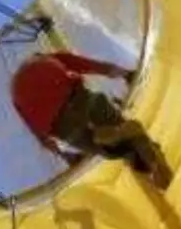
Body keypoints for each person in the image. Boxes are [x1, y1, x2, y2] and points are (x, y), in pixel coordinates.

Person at [9, 51, 172, 189]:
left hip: (66, 127)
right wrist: (126, 74)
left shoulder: (16, 94)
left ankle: (112, 140)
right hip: (84, 99)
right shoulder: (48, 59)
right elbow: (91, 65)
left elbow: (41, 137)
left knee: (113, 149)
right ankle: (151, 160)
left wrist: (66, 156)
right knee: (126, 134)